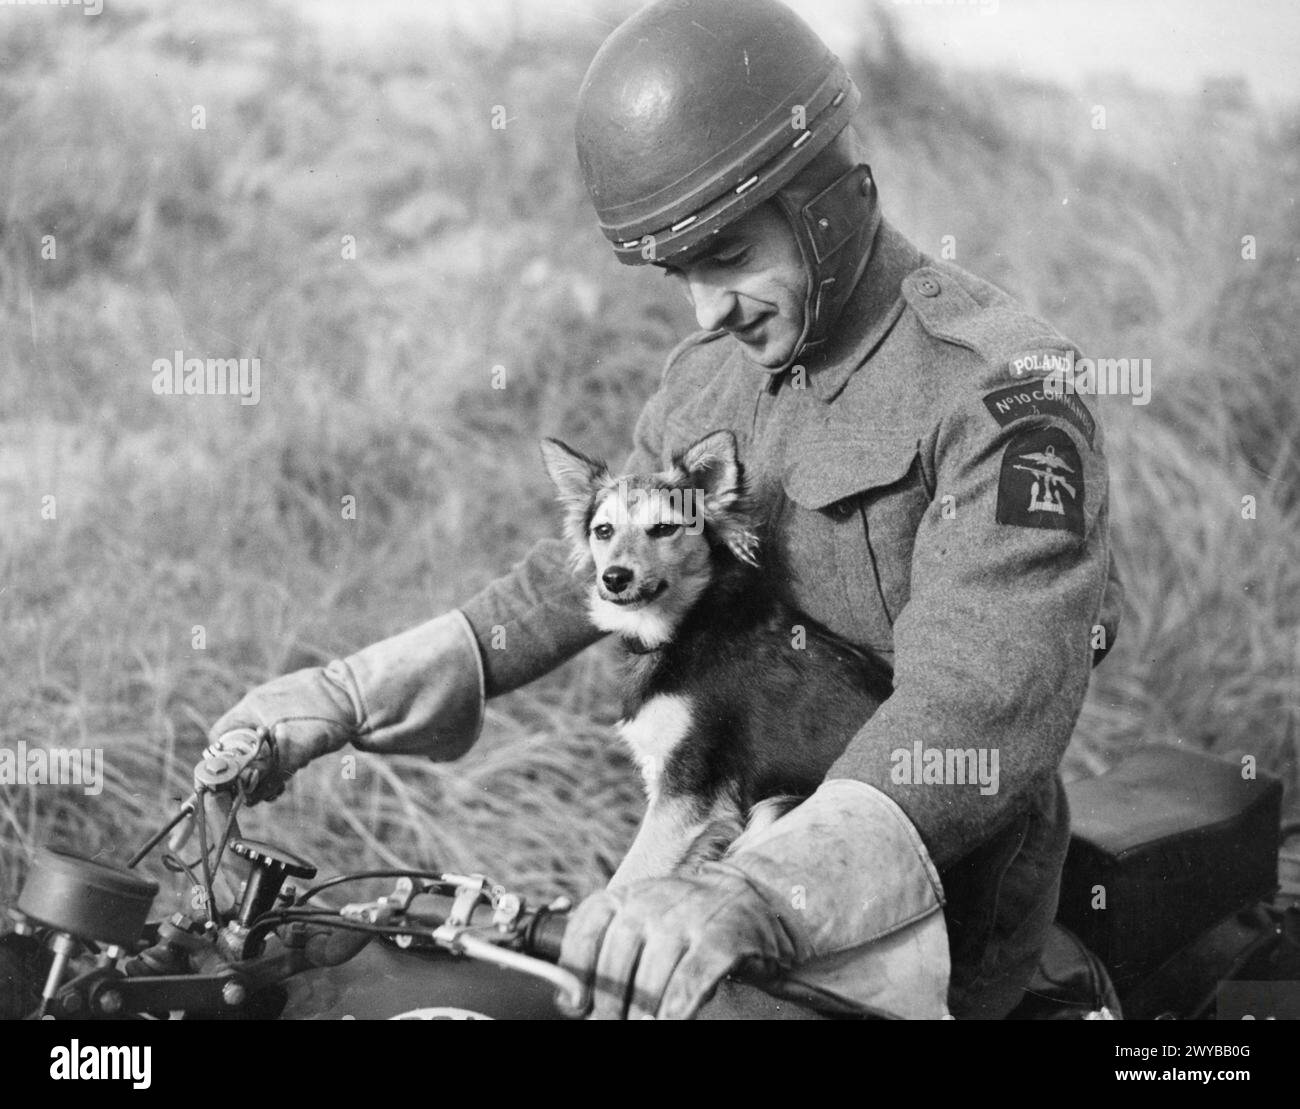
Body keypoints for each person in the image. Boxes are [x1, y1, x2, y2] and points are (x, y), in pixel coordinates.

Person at [189, 0, 1122, 1020]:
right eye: (681, 273)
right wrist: (384, 676)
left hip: (932, 880)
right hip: (735, 825)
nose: (705, 310)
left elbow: (983, 700)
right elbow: (604, 563)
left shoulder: (998, 391)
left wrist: (763, 889)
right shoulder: (710, 374)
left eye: (726, 256)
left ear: (829, 204)